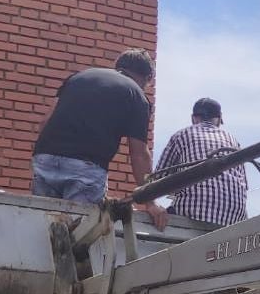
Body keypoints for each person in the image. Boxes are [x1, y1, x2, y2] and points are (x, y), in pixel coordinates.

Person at [31, 48, 167, 229]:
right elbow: (139, 154)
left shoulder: (79, 77)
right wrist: (150, 202)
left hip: (45, 159)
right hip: (85, 169)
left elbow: (45, 122)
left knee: (44, 228)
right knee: (78, 235)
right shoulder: (136, 95)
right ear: (148, 77)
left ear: (117, 66)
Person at [154, 97, 248, 227]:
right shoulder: (233, 142)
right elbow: (243, 185)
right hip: (234, 217)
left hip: (193, 213)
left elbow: (157, 179)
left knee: (158, 217)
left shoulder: (182, 135)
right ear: (219, 119)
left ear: (193, 118)